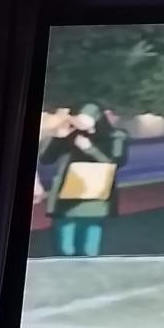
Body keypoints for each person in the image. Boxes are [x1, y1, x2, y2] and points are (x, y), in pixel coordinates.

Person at [37, 104, 129, 257]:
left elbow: (116, 161)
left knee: (89, 247)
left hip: (94, 197)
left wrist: (89, 148)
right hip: (65, 196)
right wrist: (56, 136)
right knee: (65, 247)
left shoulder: (116, 136)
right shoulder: (69, 134)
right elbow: (46, 158)